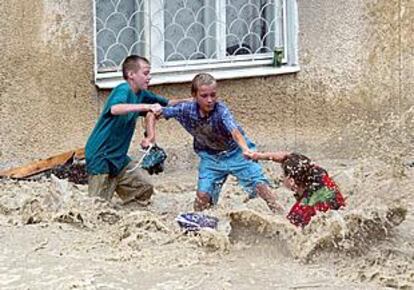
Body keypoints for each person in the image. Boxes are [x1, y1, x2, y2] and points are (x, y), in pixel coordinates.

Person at [151, 72, 283, 213]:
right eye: (204, 96)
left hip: (236, 153)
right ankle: (198, 225)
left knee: (261, 186)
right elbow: (153, 114)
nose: (209, 100)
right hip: (210, 158)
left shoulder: (221, 111)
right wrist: (150, 138)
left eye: (213, 95)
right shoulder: (185, 109)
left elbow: (235, 131)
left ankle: (283, 218)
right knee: (202, 196)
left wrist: (245, 149)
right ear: (194, 96)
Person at [85, 55, 189, 205]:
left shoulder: (142, 94)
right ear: (131, 75)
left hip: (119, 157)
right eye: (145, 73)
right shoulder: (123, 89)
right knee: (97, 207)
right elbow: (115, 109)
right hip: (100, 156)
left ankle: (128, 219)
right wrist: (146, 106)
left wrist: (194, 101)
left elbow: (169, 103)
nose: (149, 77)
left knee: (144, 187)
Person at [247, 151, 346, 227]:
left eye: (283, 174)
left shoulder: (301, 209)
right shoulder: (318, 173)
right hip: (339, 208)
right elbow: (287, 157)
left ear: (291, 180)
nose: (282, 177)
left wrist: (270, 201)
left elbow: (287, 229)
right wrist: (259, 156)